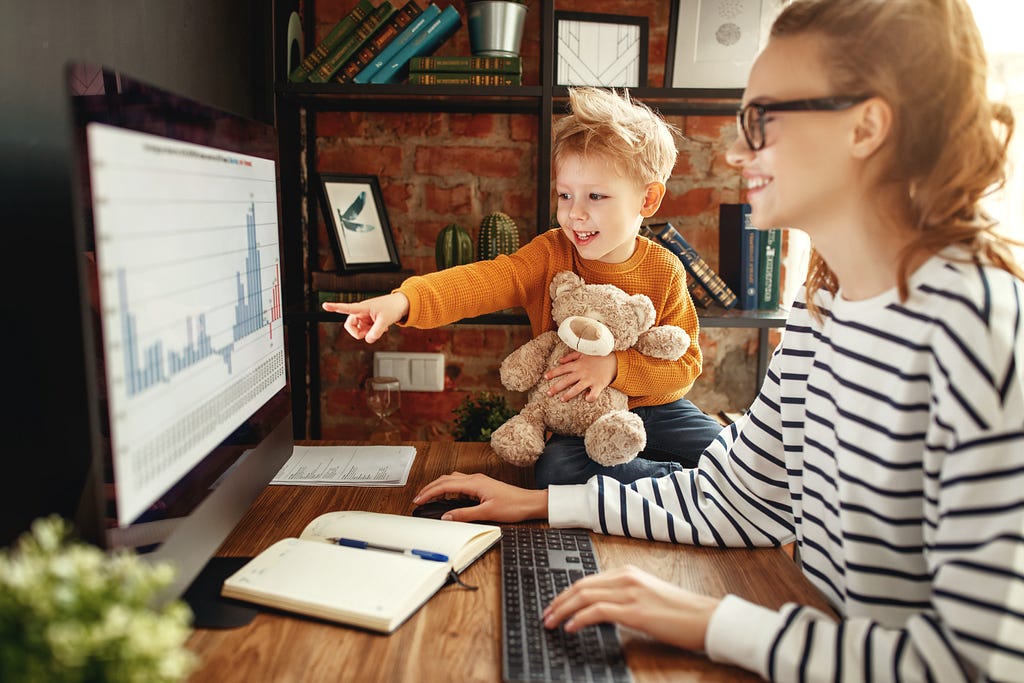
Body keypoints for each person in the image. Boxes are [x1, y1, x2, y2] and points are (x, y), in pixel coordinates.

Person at [412, 0, 1024, 679]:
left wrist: (712, 621)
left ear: (867, 126)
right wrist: (543, 502)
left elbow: (976, 665)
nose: (736, 151)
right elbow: (735, 497)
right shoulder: (824, 309)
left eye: (762, 120)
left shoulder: (981, 333)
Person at [323, 86, 723, 487]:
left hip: (659, 410)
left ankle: (665, 483)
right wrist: (403, 302)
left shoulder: (665, 268)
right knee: (556, 470)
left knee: (725, 451)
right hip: (577, 415)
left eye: (596, 196)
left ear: (648, 200)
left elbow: (685, 365)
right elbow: (481, 281)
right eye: (565, 194)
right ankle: (674, 486)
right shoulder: (550, 253)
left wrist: (616, 367)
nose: (574, 212)